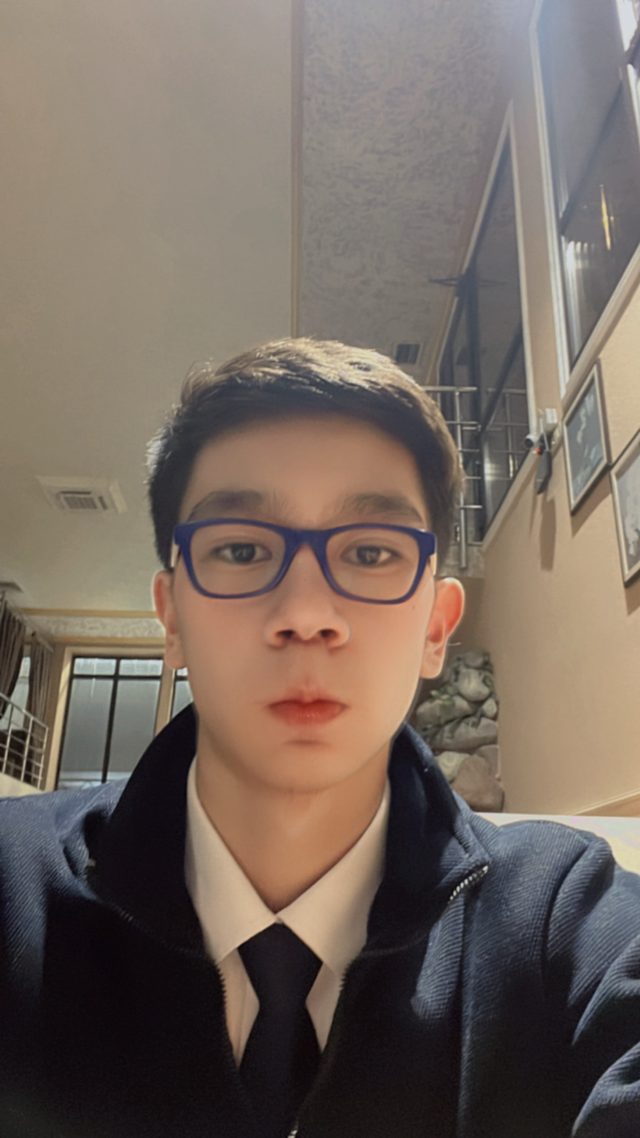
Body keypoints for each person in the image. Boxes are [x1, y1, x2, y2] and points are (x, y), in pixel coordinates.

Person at [1, 338, 639, 1138]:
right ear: (172, 617)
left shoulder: (561, 920)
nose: (306, 614)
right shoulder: (11, 885)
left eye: (371, 552)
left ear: (435, 629)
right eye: (241, 549)